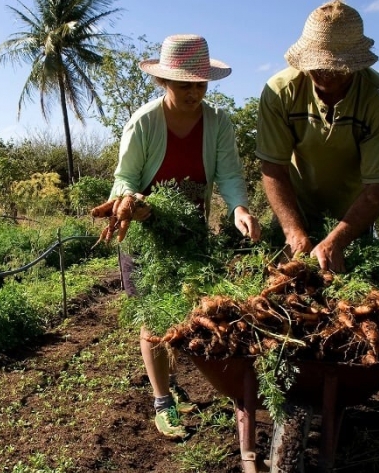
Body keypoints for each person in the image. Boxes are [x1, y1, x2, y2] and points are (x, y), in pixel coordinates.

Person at [103, 34, 261, 439]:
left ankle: (169, 384)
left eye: (200, 84)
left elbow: (228, 174)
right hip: (145, 231)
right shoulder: (145, 122)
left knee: (180, 312)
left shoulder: (219, 122)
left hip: (190, 230)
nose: (193, 92)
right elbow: (124, 176)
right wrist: (131, 201)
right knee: (153, 317)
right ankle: (161, 401)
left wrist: (239, 207)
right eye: (184, 84)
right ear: (164, 83)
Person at [256, 0, 379, 274]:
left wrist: (338, 240)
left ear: (354, 64)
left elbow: (378, 186)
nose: (325, 74)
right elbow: (273, 166)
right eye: (318, 66)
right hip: (293, 208)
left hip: (351, 217)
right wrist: (292, 230)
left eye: (336, 68)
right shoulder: (281, 91)